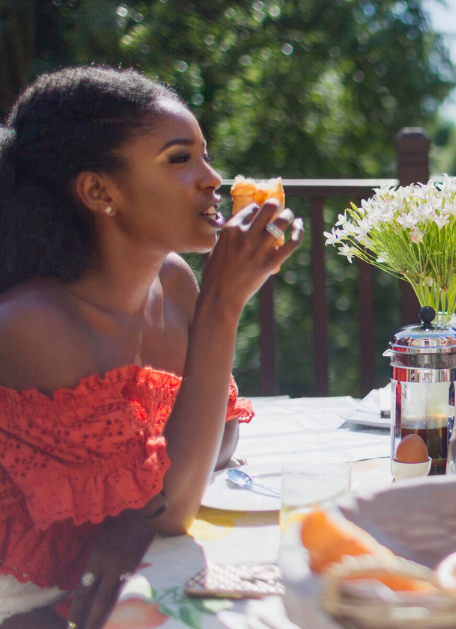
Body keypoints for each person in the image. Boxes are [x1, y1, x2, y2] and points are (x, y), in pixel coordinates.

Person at [0, 67, 302, 627]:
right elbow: (174, 506)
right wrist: (223, 305)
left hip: (130, 577)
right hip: (28, 603)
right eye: (179, 159)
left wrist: (138, 515)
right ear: (99, 191)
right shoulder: (33, 325)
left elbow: (219, 438)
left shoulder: (173, 281)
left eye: (205, 155)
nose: (213, 179)